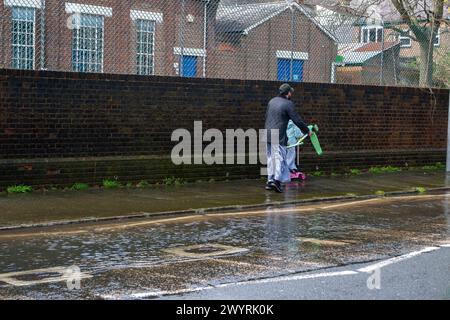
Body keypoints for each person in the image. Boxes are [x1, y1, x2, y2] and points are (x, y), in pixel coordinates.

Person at [265, 83, 311, 193]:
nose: (291, 93)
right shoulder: (288, 104)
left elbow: (267, 116)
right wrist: (307, 130)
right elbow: (297, 120)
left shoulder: (272, 101)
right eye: (291, 92)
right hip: (279, 134)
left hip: (267, 133)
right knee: (279, 158)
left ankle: (270, 181)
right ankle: (276, 181)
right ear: (288, 93)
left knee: (271, 158)